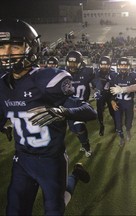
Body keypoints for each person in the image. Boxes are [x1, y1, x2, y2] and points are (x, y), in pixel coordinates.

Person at [0, 19, 97, 215]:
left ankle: (75, 176)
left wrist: (63, 111)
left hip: (51, 160)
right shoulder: (2, 84)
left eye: (15, 45)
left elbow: (89, 111)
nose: (7, 52)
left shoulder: (47, 79)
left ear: (31, 47)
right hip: (22, 159)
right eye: (2, 46)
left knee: (55, 209)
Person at [64, 50, 96, 157]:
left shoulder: (87, 72)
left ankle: (87, 147)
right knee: (75, 130)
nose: (72, 65)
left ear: (80, 63)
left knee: (79, 127)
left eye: (75, 63)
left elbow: (97, 81)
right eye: (70, 62)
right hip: (69, 106)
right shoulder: (62, 74)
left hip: (82, 106)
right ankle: (83, 143)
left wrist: (99, 89)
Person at [109, 57, 136, 146]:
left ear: (128, 66)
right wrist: (112, 101)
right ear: (118, 66)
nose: (123, 67)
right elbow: (111, 92)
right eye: (121, 65)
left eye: (125, 65)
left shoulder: (133, 76)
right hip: (118, 103)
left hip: (128, 103)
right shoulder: (114, 76)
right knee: (118, 124)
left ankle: (128, 131)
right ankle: (121, 137)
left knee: (128, 122)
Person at [93, 55, 115, 136]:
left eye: (106, 65)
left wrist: (110, 82)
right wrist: (96, 89)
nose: (104, 67)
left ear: (109, 65)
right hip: (101, 94)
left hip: (110, 94)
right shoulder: (97, 72)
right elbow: (93, 82)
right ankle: (101, 126)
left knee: (112, 111)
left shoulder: (113, 73)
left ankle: (116, 123)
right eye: (102, 65)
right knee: (99, 111)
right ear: (100, 65)